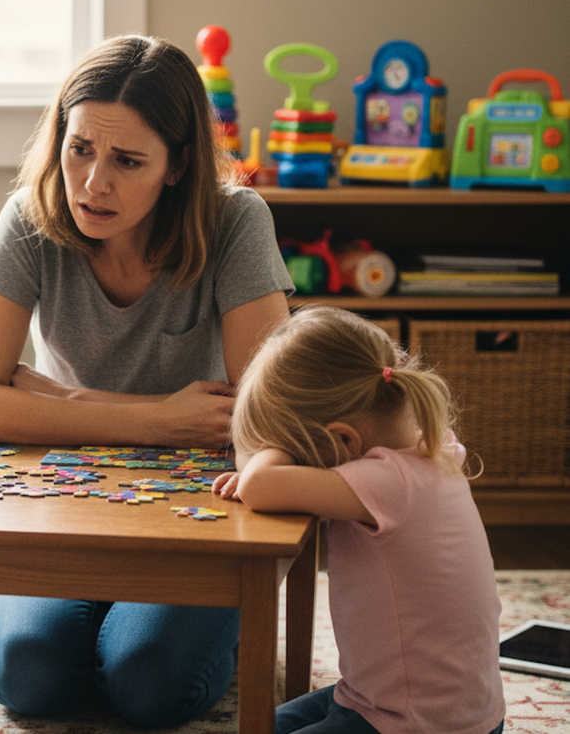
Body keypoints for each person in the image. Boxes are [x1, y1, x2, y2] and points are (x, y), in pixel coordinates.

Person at [0, 34, 294, 727]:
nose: (93, 183)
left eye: (127, 161)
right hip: (64, 495)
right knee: (28, 676)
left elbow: (264, 418)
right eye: (80, 149)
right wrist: (156, 419)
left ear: (178, 165)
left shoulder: (235, 222)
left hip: (200, 502)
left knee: (149, 685)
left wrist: (54, 400)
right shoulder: (28, 218)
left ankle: (173, 631)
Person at [213, 305, 505, 734]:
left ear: (344, 440)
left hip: (417, 724)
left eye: (293, 452)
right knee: (256, 725)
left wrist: (265, 465)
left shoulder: (388, 482)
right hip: (398, 703)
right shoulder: (431, 447)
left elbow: (258, 485)